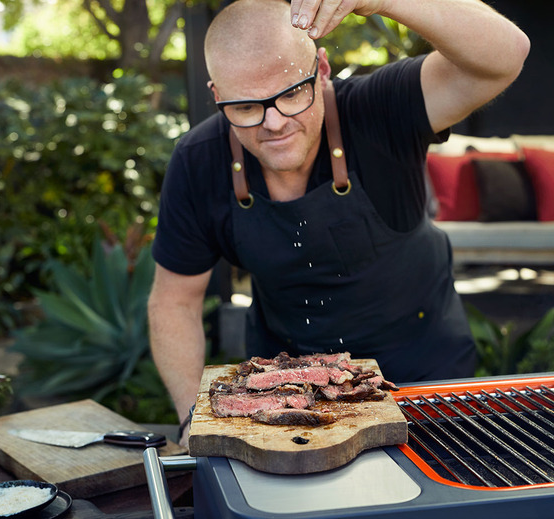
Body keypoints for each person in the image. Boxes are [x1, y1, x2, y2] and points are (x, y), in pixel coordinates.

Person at [148, 0, 530, 442]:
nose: (274, 122)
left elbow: (507, 54)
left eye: (292, 93)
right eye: (246, 107)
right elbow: (174, 302)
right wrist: (190, 423)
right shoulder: (198, 160)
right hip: (288, 397)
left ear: (323, 69)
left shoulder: (379, 108)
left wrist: (386, 1)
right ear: (217, 96)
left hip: (425, 377)